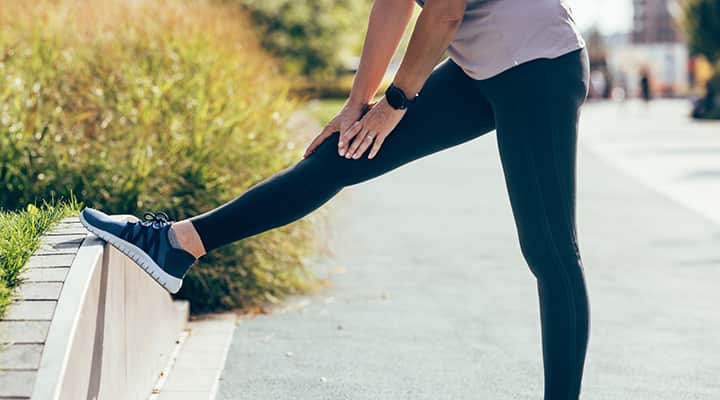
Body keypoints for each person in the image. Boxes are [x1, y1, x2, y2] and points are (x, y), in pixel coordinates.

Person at [79, 0, 591, 398]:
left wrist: (395, 102)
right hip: (478, 69)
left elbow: (444, 11)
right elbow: (393, 4)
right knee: (339, 155)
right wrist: (356, 105)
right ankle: (178, 244)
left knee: (549, 250)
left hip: (538, 65)